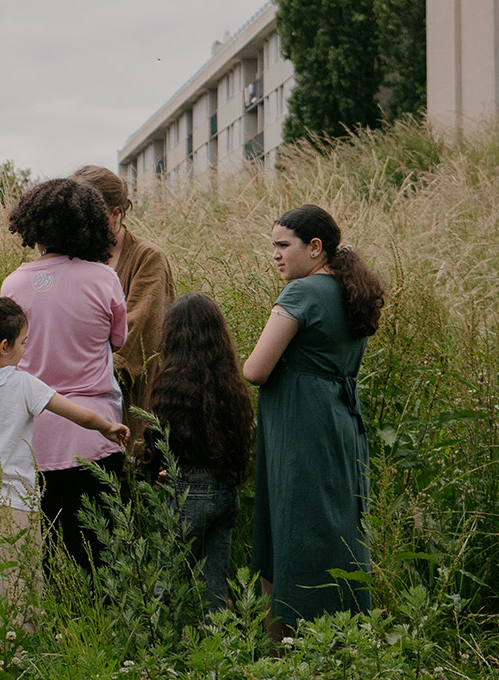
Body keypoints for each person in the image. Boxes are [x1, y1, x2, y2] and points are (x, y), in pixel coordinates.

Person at [0, 298, 129, 618]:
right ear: (4, 346)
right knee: (17, 591)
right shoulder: (22, 384)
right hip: (14, 504)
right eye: (22, 343)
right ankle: (17, 655)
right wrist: (108, 426)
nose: (24, 350)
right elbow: (82, 417)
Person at [242, 204, 385, 639]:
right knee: (335, 526)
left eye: (284, 245)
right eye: (273, 247)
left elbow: (255, 370)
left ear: (315, 247)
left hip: (301, 425)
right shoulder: (348, 288)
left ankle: (282, 646)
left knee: (291, 525)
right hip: (341, 422)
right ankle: (345, 638)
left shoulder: (301, 293)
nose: (276, 255)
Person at [0, 178, 128, 572]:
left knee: (45, 551)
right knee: (98, 553)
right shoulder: (104, 278)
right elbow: (118, 340)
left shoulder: (13, 283)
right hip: (95, 433)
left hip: (32, 433)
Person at [144, 293, 253, 614]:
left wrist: (158, 473)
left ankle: (152, 652)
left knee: (165, 584)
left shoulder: (171, 384)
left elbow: (158, 437)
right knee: (214, 589)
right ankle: (223, 652)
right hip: (224, 490)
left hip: (187, 492)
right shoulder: (229, 383)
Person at [70, 165, 175, 459]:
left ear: (116, 213)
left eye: (90, 213)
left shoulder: (147, 258)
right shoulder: (70, 256)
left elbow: (137, 329)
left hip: (129, 398)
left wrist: (83, 373)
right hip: (73, 404)